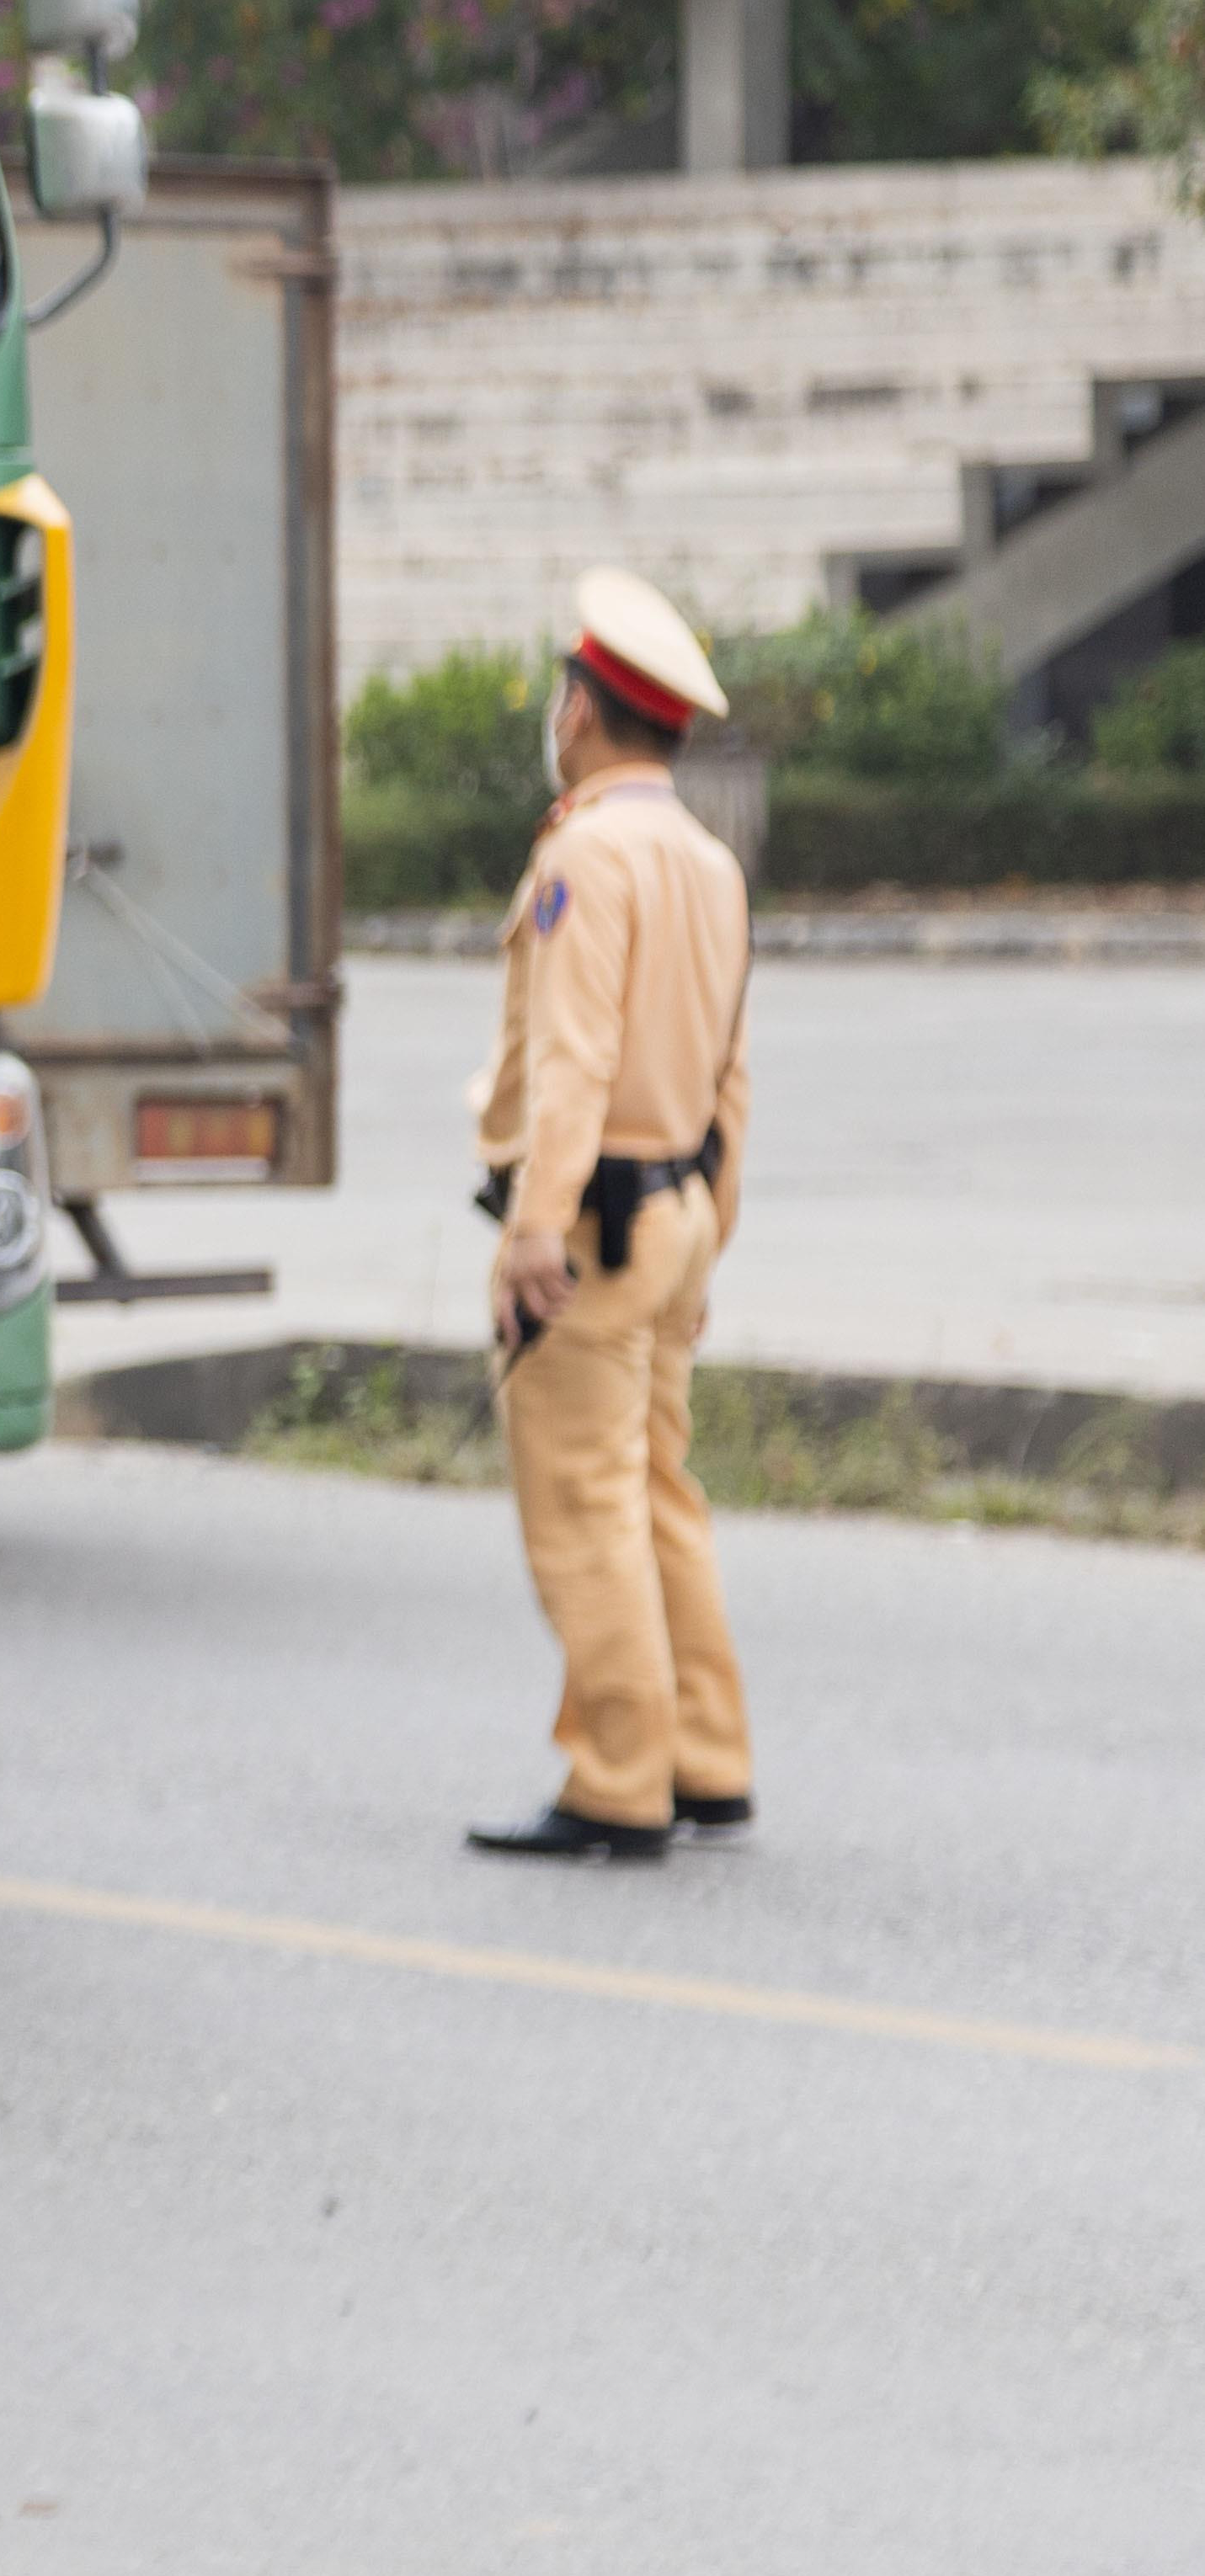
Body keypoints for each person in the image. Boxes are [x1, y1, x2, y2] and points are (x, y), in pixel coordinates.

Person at [464, 569, 757, 1864]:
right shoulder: (703, 858)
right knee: (655, 1491)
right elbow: (728, 1069)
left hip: (590, 1224)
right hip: (680, 1204)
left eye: (555, 693)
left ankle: (617, 1779)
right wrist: (713, 1225)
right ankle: (704, 1756)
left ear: (579, 711)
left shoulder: (582, 852)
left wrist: (532, 1228)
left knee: (584, 1503)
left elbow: (573, 1062)